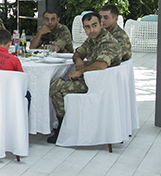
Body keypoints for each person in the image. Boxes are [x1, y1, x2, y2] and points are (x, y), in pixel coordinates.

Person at [47, 11, 122, 143]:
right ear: (84, 28)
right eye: (87, 27)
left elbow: (102, 64)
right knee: (57, 82)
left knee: (55, 87)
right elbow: (77, 53)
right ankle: (64, 125)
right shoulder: (93, 39)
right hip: (91, 79)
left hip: (99, 84)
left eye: (94, 25)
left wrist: (81, 71)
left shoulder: (107, 41)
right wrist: (79, 61)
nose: (91, 30)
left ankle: (62, 128)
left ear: (101, 24)